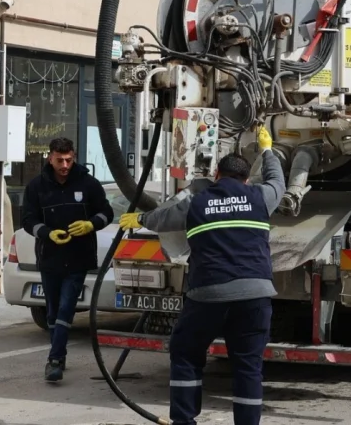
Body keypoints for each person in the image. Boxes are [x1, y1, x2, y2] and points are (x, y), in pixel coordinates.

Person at [120, 127, 284, 425]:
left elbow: (163, 217)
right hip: (255, 295)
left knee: (186, 352)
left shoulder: (197, 201)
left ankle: (184, 421)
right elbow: (278, 183)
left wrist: (141, 218)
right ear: (246, 180)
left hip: (209, 293)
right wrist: (268, 150)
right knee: (248, 366)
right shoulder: (260, 197)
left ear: (217, 176)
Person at [21, 138, 113, 382]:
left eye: (69, 160)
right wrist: (46, 233)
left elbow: (107, 212)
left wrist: (90, 225)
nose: (64, 165)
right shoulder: (37, 186)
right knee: (52, 311)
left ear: (74, 157)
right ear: (50, 157)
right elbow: (27, 219)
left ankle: (54, 360)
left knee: (65, 307)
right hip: (49, 257)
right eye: (60, 160)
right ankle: (58, 355)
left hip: (78, 258)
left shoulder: (88, 183)